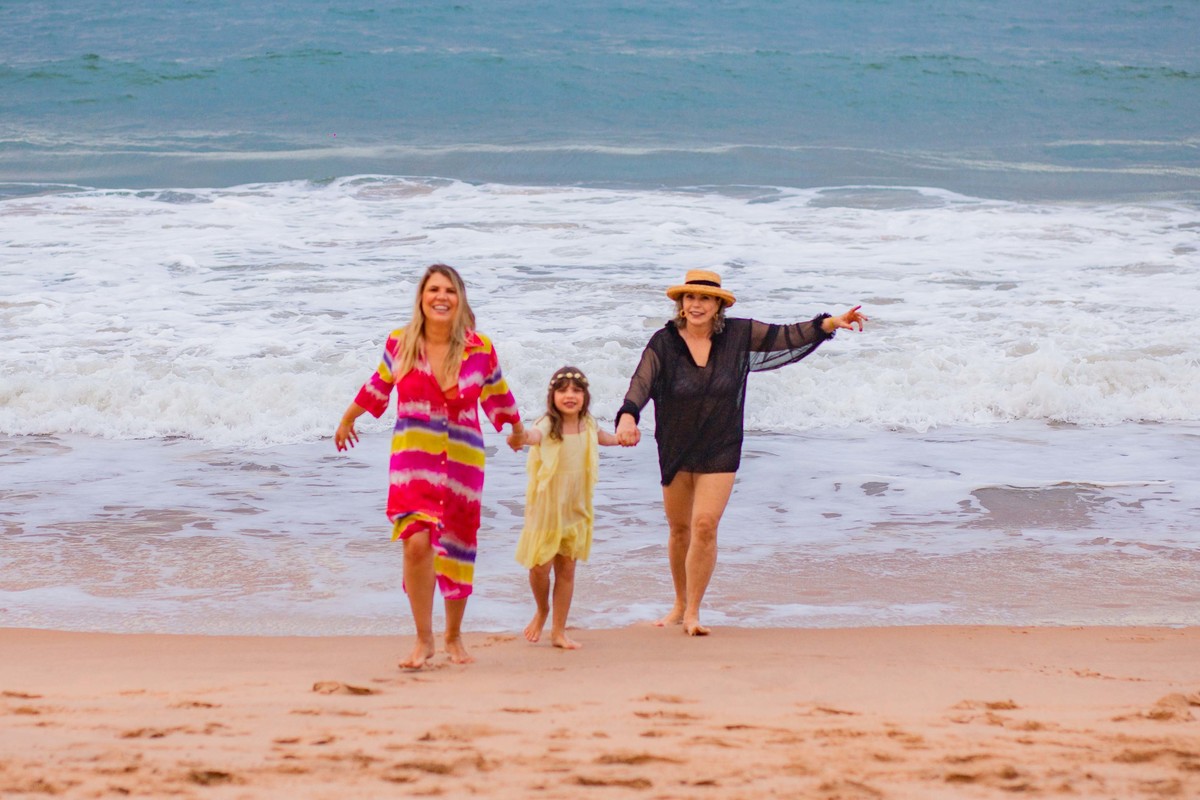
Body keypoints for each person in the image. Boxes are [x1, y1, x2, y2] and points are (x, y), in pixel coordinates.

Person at [615, 269, 867, 636]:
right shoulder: (664, 343)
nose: (696, 304)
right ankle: (679, 603)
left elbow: (787, 335)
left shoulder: (738, 335)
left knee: (704, 525)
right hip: (675, 443)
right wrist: (627, 416)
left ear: (718, 305)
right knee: (680, 529)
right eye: (690, 298)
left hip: (721, 443)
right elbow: (642, 381)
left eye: (704, 298)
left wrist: (830, 323)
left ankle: (693, 613)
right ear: (680, 305)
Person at [334, 264, 525, 668]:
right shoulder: (400, 343)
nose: (441, 296)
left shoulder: (480, 348)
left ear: (460, 299)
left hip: (462, 463)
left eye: (450, 290)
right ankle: (424, 640)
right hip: (413, 462)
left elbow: (499, 397)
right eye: (433, 289)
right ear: (422, 298)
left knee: (458, 546)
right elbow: (378, 386)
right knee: (416, 543)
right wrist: (348, 418)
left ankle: (454, 636)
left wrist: (517, 430)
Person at [512, 366, 620, 650]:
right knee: (539, 567)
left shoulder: (589, 423)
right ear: (552, 396)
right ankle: (541, 609)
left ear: (585, 396)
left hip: (576, 506)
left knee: (567, 569)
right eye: (562, 390)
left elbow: (604, 437)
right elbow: (533, 436)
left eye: (576, 390)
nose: (569, 395)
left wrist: (623, 437)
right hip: (547, 508)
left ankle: (558, 630)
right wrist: (520, 435)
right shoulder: (548, 423)